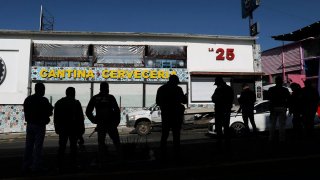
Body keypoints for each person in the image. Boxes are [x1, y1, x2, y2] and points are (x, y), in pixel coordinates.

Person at [86, 82, 121, 164]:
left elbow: (88, 111)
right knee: (116, 143)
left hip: (102, 124)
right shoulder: (110, 98)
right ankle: (119, 160)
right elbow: (117, 111)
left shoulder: (95, 98)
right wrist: (116, 122)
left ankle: (102, 161)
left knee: (101, 144)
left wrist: (94, 120)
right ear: (107, 88)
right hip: (110, 124)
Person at [22, 82, 53, 173]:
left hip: (30, 124)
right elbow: (49, 112)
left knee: (29, 146)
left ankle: (26, 166)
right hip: (40, 125)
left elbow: (26, 111)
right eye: (43, 90)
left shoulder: (28, 99)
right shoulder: (44, 100)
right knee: (38, 147)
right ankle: (36, 166)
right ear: (41, 90)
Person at [156, 74, 187, 159]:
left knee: (164, 134)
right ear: (175, 82)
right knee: (176, 135)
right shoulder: (178, 89)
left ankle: (163, 153)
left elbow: (158, 102)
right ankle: (176, 153)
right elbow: (184, 101)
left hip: (166, 115)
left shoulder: (161, 89)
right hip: (176, 115)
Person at [54, 87, 85, 171]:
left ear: (66, 93)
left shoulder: (59, 102)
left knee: (62, 147)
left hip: (63, 128)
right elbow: (80, 118)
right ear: (74, 93)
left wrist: (56, 127)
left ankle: (60, 165)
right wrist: (81, 132)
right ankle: (73, 164)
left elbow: (56, 117)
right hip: (73, 129)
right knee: (73, 147)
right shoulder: (76, 103)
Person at [211, 77, 234, 147]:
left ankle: (220, 143)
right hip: (226, 111)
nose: (216, 85)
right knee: (226, 127)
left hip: (219, 111)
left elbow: (214, 98)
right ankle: (227, 143)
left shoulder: (218, 89)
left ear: (219, 83)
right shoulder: (229, 88)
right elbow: (231, 99)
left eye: (217, 84)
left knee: (219, 128)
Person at [267, 76, 290, 143]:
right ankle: (282, 139)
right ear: (282, 82)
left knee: (272, 124)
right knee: (282, 125)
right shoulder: (285, 90)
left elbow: (268, 98)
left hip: (273, 108)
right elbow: (288, 99)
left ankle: (271, 138)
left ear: (275, 82)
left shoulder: (271, 89)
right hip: (282, 107)